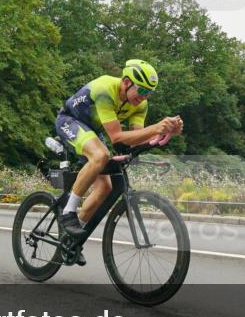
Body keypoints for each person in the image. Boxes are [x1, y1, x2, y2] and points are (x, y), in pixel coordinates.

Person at [55, 60, 183, 248]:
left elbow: (134, 138)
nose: (144, 97)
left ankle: (70, 239)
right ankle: (68, 211)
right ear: (125, 82)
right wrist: (156, 128)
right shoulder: (105, 89)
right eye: (141, 90)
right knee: (100, 156)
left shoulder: (140, 105)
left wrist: (165, 132)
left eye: (149, 93)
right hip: (69, 120)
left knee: (105, 188)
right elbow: (116, 137)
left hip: (93, 130)